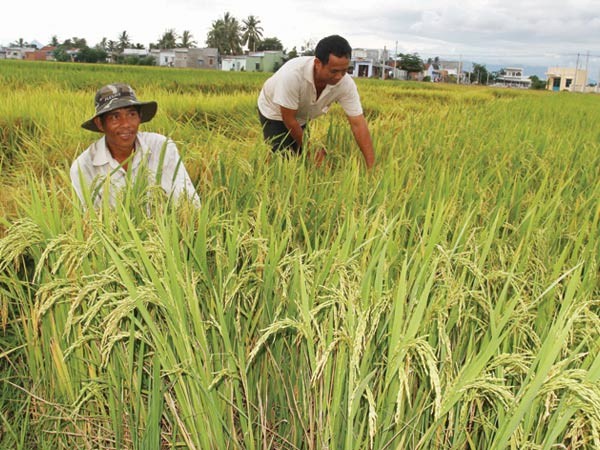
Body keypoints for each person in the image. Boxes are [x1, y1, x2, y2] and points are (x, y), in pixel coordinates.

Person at [71, 83, 200, 207]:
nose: (126, 124)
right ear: (100, 123)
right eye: (115, 117)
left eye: (131, 114)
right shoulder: (84, 167)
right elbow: (94, 220)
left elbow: (188, 202)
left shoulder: (161, 148)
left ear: (140, 117)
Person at [257, 35, 375, 169]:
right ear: (318, 63)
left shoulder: (345, 83)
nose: (339, 77)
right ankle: (265, 170)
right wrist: (311, 150)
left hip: (302, 114)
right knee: (282, 160)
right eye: (334, 71)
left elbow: (358, 124)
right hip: (275, 110)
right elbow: (289, 119)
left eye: (344, 71)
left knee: (301, 156)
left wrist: (371, 167)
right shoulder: (293, 75)